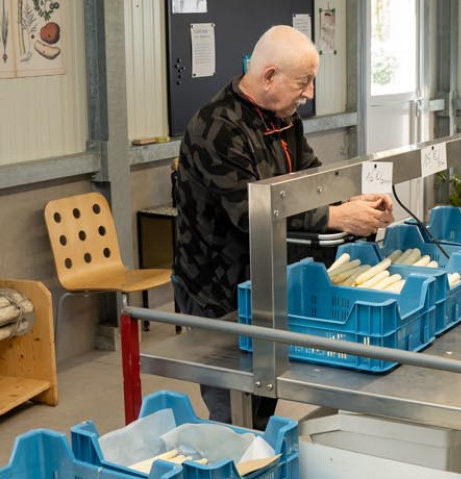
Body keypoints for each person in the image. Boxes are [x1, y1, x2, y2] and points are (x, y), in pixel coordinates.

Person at [173, 25, 394, 429]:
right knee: (234, 407)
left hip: (267, 280)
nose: (309, 93)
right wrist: (336, 217)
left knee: (264, 394)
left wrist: (348, 202)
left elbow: (309, 180)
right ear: (269, 76)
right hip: (217, 289)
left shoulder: (284, 118)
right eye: (303, 82)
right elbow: (250, 212)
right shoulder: (217, 128)